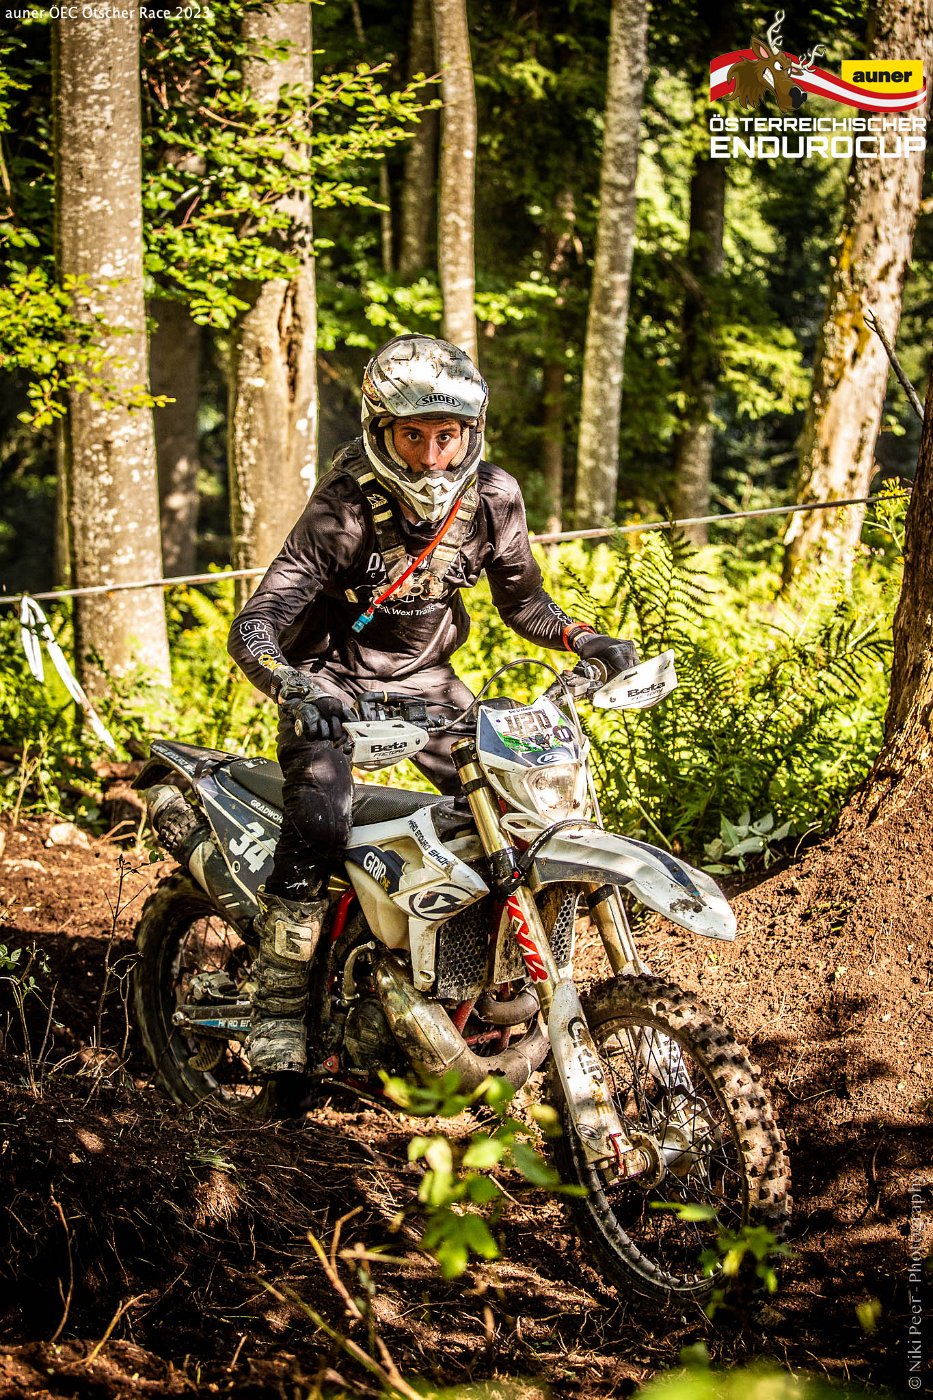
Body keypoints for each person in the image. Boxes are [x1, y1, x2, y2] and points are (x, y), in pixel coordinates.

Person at [227, 333, 637, 1074]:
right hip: (330, 685)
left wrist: (584, 639)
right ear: (380, 430)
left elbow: (525, 603)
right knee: (320, 816)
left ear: (470, 432)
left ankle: (495, 974)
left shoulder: (493, 497)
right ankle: (277, 1000)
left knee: (525, 806)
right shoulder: (343, 508)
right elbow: (256, 622)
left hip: (429, 684)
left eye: (445, 436)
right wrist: (290, 683)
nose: (430, 457)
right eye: (411, 436)